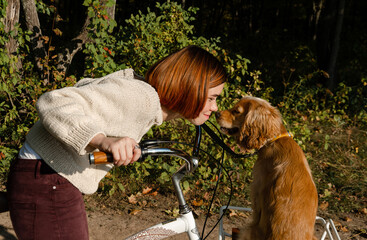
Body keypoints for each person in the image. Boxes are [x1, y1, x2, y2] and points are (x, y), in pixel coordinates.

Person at [6, 45, 227, 240]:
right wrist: (102, 139)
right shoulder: (140, 98)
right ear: (190, 88)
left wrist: (123, 144)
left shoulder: (145, 96)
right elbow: (54, 101)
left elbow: (87, 89)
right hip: (47, 180)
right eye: (212, 98)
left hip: (47, 175)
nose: (215, 107)